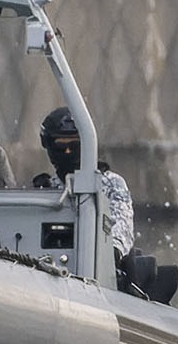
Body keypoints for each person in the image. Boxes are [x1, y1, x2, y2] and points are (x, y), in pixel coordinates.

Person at [31, 105, 135, 257]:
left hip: (96, 263)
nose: (67, 152)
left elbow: (122, 224)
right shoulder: (45, 189)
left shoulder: (110, 184)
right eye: (61, 146)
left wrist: (112, 252)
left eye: (74, 145)